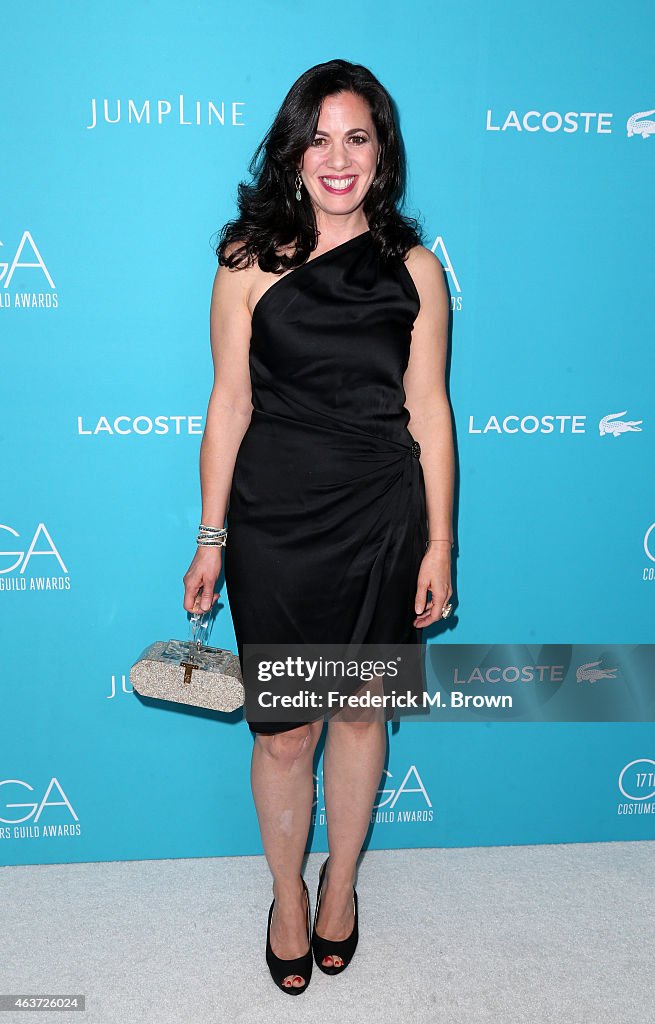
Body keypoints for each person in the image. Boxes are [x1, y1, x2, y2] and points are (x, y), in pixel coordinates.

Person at [183, 58, 454, 995]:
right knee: (285, 730)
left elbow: (429, 409)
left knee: (360, 710)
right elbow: (228, 405)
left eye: (358, 136)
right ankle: (286, 896)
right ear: (292, 149)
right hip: (277, 523)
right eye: (319, 136)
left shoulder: (415, 269)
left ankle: (340, 883)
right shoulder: (243, 261)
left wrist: (440, 542)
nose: (336, 157)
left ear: (382, 153)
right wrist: (211, 536)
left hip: (382, 515)